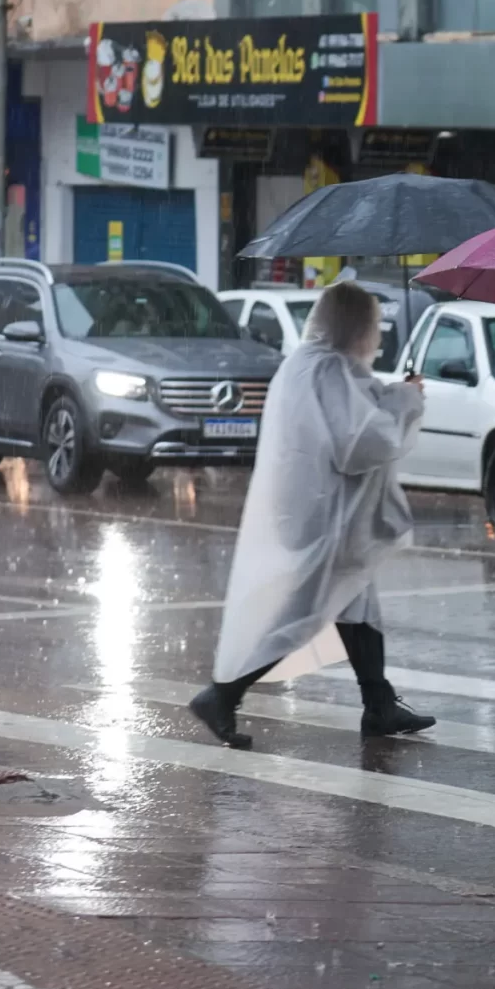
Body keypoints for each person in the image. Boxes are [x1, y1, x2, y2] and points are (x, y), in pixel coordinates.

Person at [189, 282, 438, 749]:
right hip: (327, 515)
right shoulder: (327, 368)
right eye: (371, 325)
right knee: (303, 610)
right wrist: (404, 401)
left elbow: (355, 411)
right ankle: (222, 694)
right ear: (353, 325)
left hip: (315, 508)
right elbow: (361, 442)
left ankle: (378, 702)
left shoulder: (309, 364)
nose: (377, 335)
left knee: (355, 600)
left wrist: (394, 395)